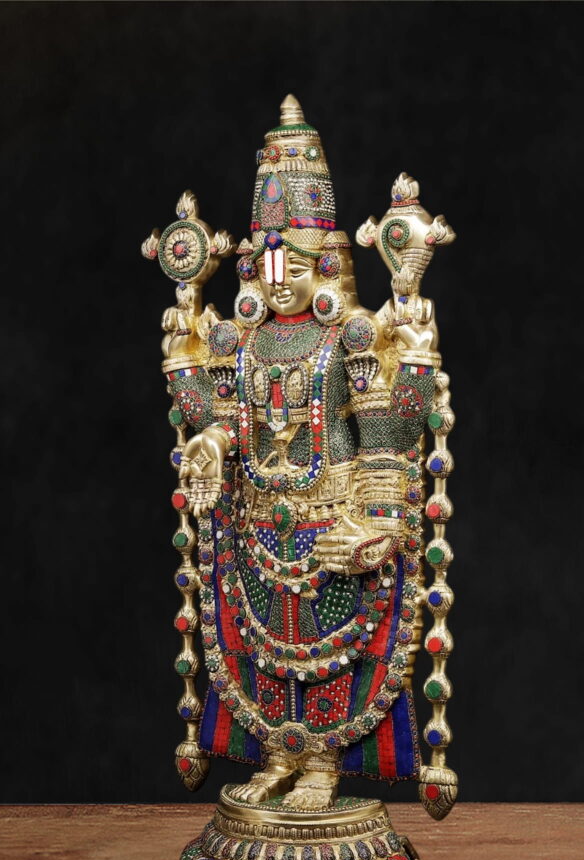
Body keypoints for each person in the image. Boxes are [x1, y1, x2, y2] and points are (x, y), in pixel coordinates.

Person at [166, 96, 440, 810]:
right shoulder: (241, 342)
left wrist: (378, 520)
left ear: (326, 267)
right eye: (266, 266)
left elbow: (384, 433)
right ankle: (279, 754)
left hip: (330, 519)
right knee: (264, 645)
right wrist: (208, 438)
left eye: (294, 264)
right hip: (260, 520)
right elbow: (225, 422)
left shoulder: (349, 339)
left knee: (327, 649)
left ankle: (321, 763)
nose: (279, 280)